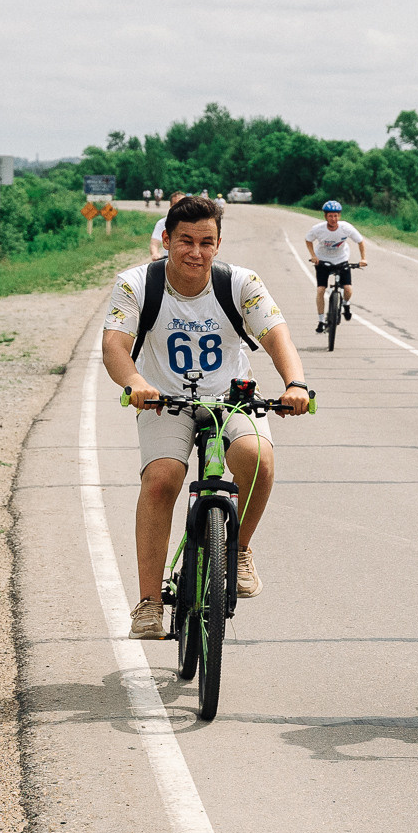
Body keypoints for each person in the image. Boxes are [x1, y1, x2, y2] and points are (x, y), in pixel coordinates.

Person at [102, 196, 314, 641]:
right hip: (164, 400)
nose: (195, 252)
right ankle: (148, 603)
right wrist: (135, 383)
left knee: (257, 458)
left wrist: (295, 384)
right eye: (185, 241)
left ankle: (237, 549)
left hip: (233, 397)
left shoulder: (240, 283)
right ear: (166, 239)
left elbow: (277, 337)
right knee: (161, 478)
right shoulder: (136, 283)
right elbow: (114, 345)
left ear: (218, 245)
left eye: (206, 242)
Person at [302, 200, 370, 330]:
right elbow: (308, 240)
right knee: (321, 290)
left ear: (339, 216)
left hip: (341, 259)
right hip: (322, 260)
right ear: (325, 216)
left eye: (336, 215)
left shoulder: (346, 228)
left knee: (348, 289)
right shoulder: (318, 229)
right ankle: (321, 321)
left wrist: (363, 259)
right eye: (330, 216)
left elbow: (360, 241)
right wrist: (313, 256)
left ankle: (345, 303)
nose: (333, 219)